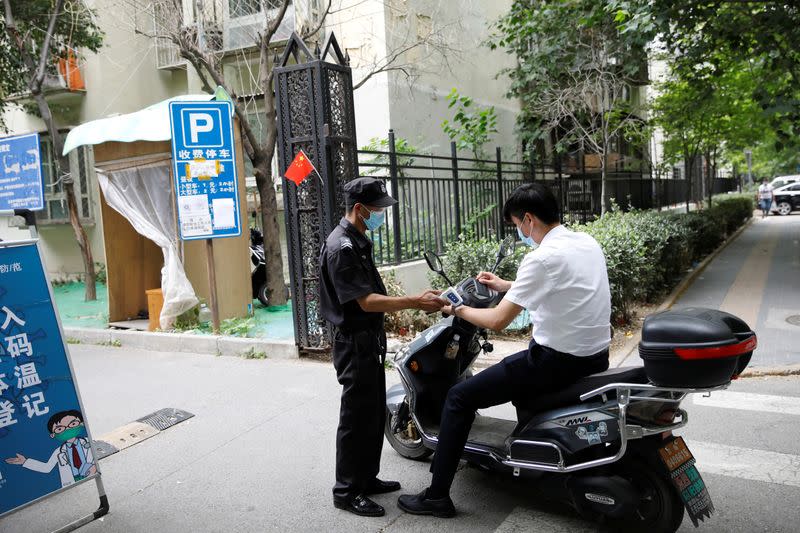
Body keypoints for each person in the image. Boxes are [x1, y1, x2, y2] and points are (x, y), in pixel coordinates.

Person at [397, 182, 612, 518]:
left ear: (528, 219)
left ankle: (437, 496)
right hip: (595, 355)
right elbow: (564, 284)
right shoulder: (585, 242)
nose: (519, 232)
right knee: (519, 383)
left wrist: (456, 310)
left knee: (459, 398)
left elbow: (497, 321)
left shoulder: (540, 258)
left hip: (556, 361)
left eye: (516, 225)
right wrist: (505, 286)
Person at [319, 177, 444, 517]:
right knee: (355, 419)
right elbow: (365, 301)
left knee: (373, 414)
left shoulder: (357, 240)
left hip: (368, 342)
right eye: (377, 210)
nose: (381, 216)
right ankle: (346, 491)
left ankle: (366, 478)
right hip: (353, 343)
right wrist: (414, 302)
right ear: (360, 209)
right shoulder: (341, 247)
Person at [5, 410, 96, 487]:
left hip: (92, 475)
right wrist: (25, 461)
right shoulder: (59, 451)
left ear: (82, 423)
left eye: (73, 424)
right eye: (60, 429)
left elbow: (95, 455)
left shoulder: (88, 441)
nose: (67, 429)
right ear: (53, 435)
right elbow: (46, 467)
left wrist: (95, 468)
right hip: (72, 482)